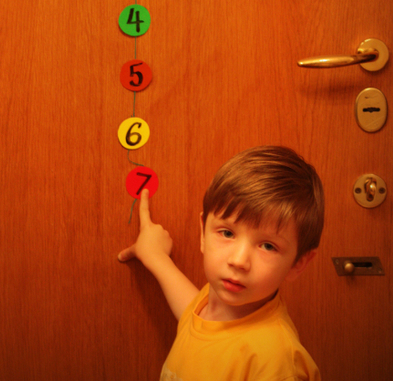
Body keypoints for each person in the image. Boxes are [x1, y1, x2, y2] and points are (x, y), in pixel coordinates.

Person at [118, 145, 324, 380]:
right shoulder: (212, 304)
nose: (238, 261)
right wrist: (156, 257)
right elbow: (194, 316)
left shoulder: (275, 363)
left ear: (298, 263)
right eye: (227, 233)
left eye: (268, 246)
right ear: (203, 233)